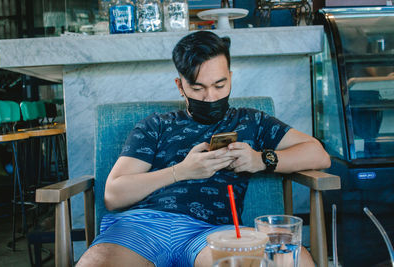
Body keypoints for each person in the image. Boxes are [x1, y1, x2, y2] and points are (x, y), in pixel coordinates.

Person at [77, 31, 331, 267]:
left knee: (290, 259)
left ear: (231, 77)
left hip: (214, 232)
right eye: (198, 88)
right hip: (143, 227)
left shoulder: (251, 121)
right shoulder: (156, 125)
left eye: (220, 86)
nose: (210, 97)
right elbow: (113, 195)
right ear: (180, 86)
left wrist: (261, 159)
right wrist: (182, 171)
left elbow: (318, 154)